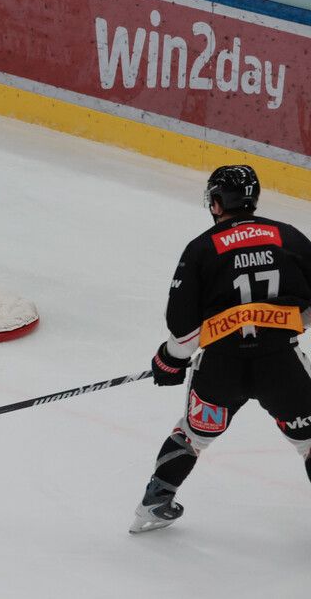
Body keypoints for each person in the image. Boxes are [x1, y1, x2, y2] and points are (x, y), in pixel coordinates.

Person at [130, 165, 311, 534]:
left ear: (216, 203)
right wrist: (282, 323)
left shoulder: (201, 248)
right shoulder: (288, 237)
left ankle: (156, 502)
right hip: (280, 366)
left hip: (219, 370)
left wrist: (170, 360)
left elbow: (184, 329)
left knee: (192, 435)